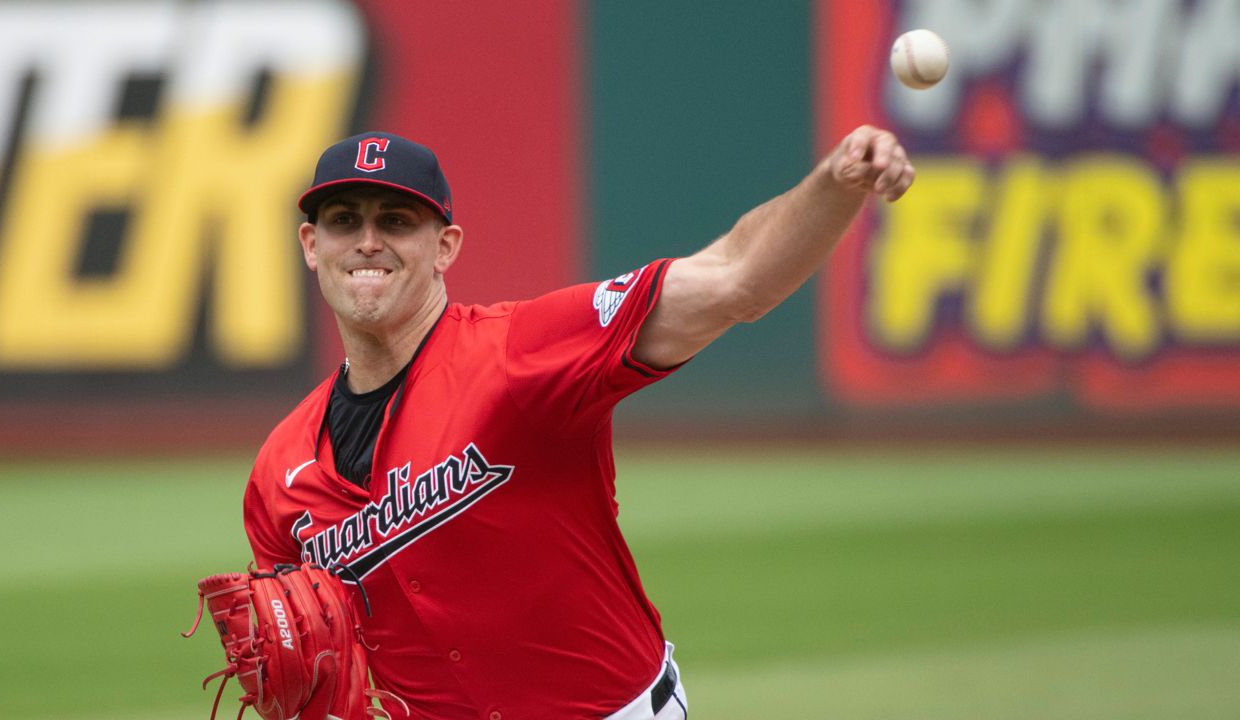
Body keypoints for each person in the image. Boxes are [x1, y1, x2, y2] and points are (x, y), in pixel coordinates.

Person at [242, 127, 914, 720]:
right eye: (342, 220)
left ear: (445, 247)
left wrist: (834, 182)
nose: (367, 241)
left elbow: (735, 278)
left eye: (395, 221)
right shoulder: (280, 473)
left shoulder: (525, 351)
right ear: (311, 244)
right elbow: (302, 660)